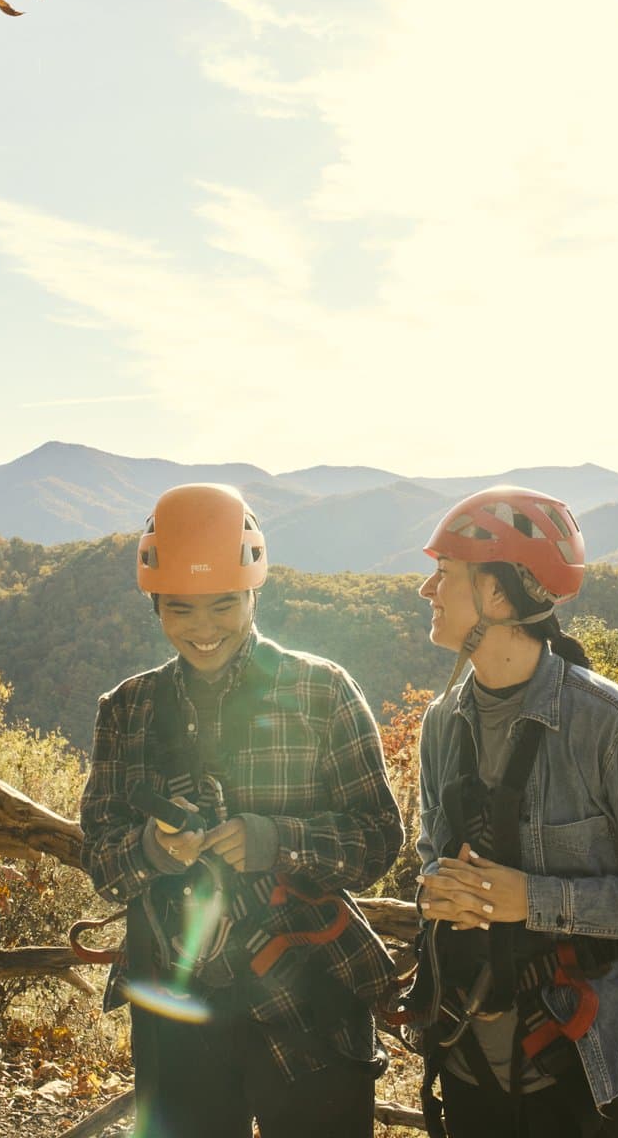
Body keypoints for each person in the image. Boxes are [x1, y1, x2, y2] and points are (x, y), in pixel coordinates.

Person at [79, 483, 403, 1138]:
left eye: (223, 604)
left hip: (311, 1001)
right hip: (177, 1005)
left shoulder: (322, 693)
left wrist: (275, 840)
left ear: (255, 592)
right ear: (155, 605)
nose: (202, 628)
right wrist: (149, 850)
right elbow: (99, 858)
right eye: (180, 609)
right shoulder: (128, 711)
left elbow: (378, 842)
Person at [406, 486, 618, 1138]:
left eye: (446, 575)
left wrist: (534, 900)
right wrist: (434, 886)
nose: (425, 591)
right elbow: (431, 852)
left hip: (583, 1065)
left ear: (498, 596)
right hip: (468, 1057)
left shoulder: (612, 728)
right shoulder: (442, 724)